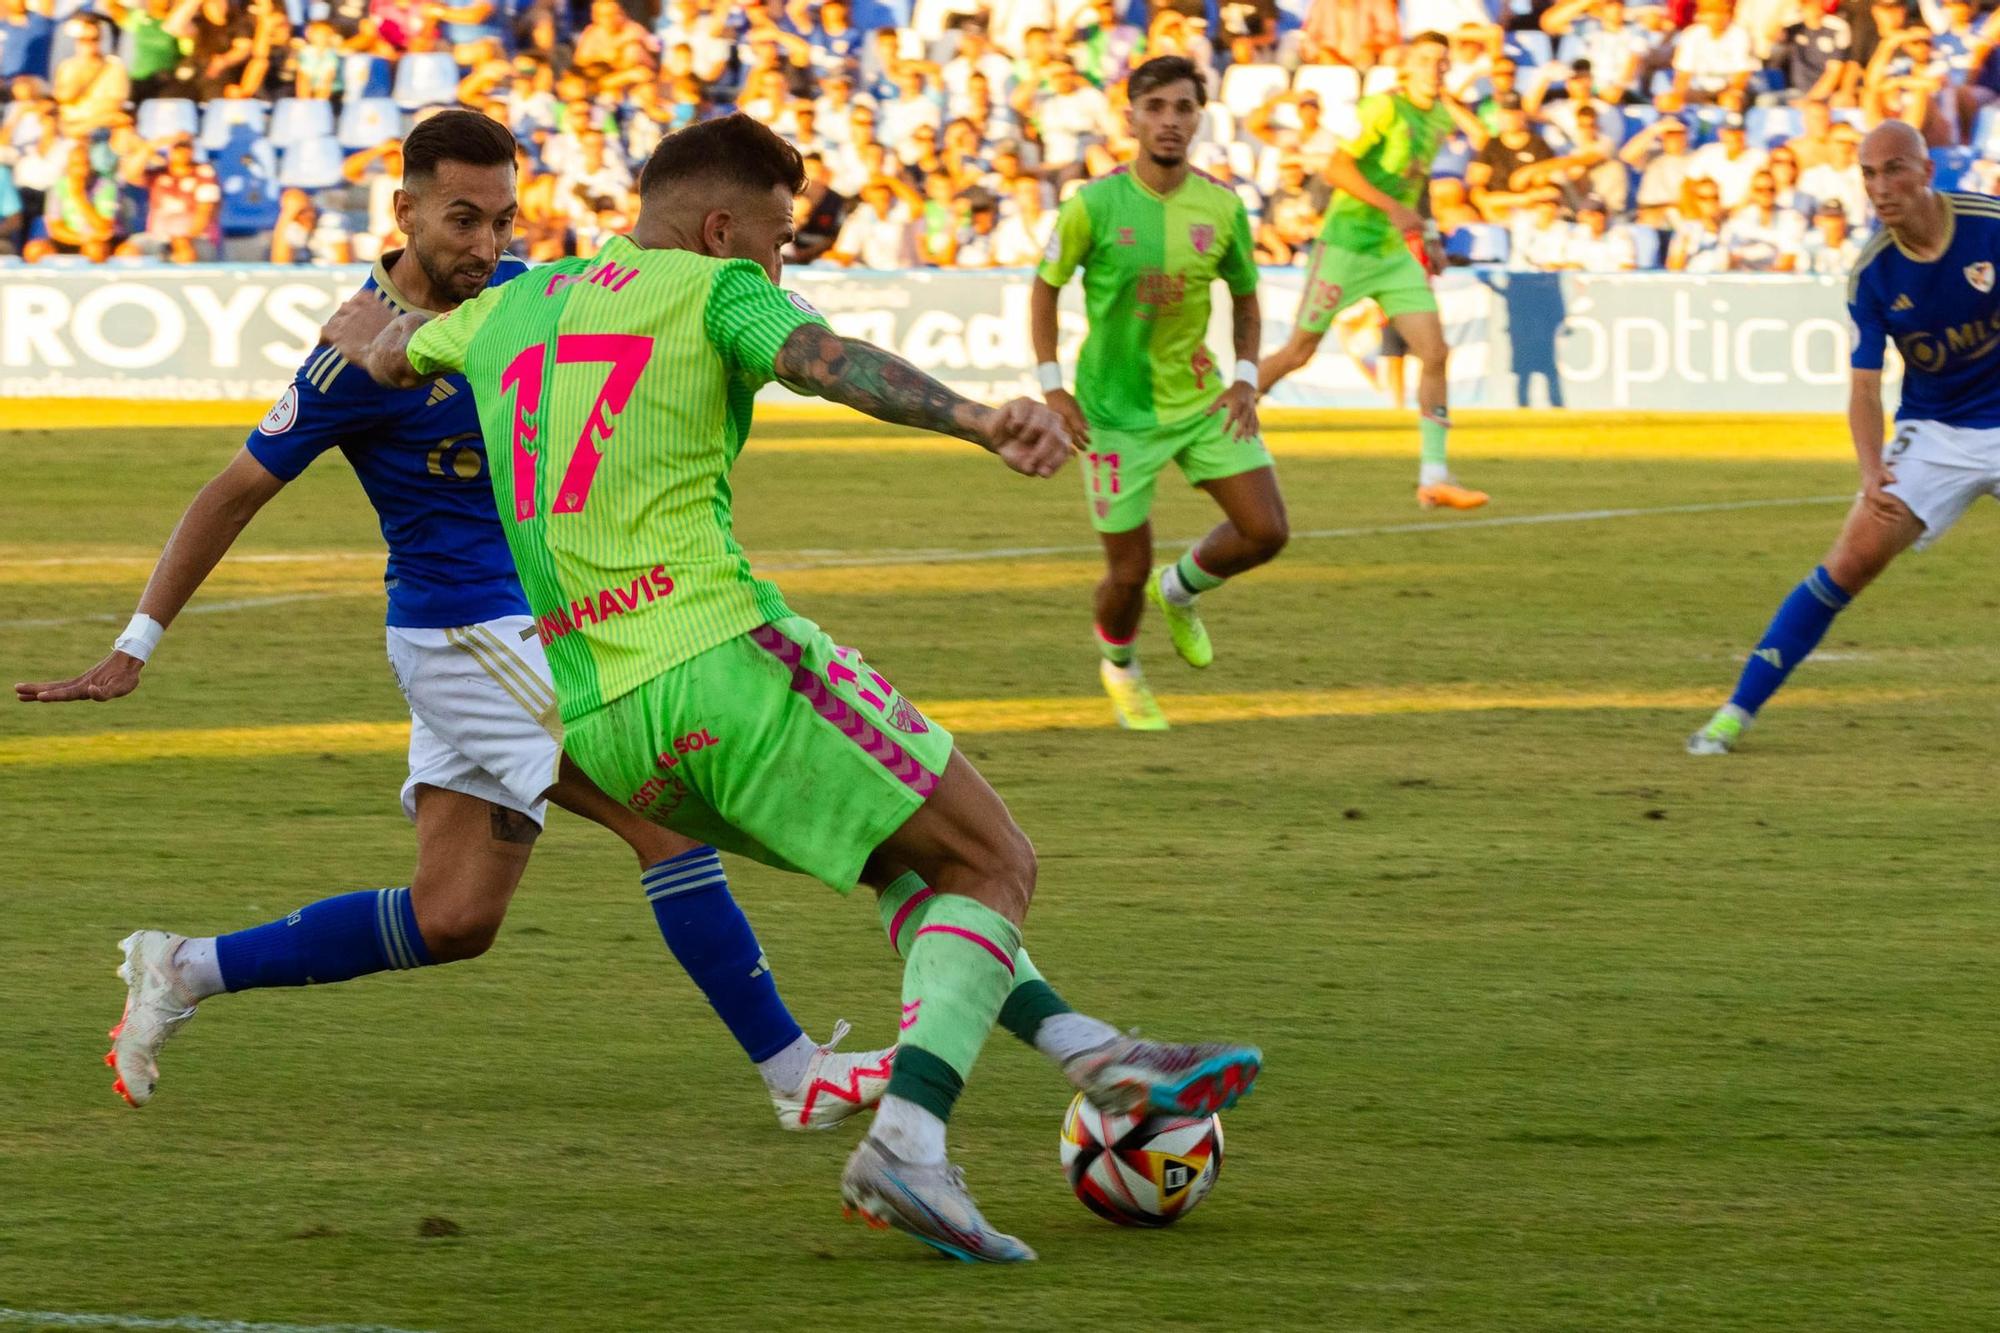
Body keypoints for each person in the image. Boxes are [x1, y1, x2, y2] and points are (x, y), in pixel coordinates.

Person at [321, 110, 1262, 1264]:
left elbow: (382, 350)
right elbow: (831, 365)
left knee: (918, 874)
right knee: (992, 860)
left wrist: (377, 328)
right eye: (775, 242)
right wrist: (976, 418)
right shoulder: (714, 291)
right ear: (719, 226)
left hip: (604, 724)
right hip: (722, 661)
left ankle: (1095, 1055)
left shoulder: (512, 305)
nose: (779, 266)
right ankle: (908, 1144)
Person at [15, 112, 892, 1132]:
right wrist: (134, 646)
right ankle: (794, 1074)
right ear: (405, 211)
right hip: (470, 639)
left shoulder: (523, 296)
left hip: (531, 630)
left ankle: (182, 967)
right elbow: (230, 493)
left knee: (455, 916)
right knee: (664, 814)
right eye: (463, 219)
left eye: (503, 220)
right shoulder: (347, 359)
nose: (485, 244)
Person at [1687, 122, 2000, 754]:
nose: (1879, 188)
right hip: (1934, 433)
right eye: (1867, 174)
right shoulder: (1874, 273)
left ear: (1927, 170)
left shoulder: (1988, 223)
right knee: (1848, 562)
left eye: (1893, 170)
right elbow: (1863, 387)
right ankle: (1733, 715)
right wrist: (1868, 469)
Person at [1031, 56, 1279, 731]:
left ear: (1200, 116)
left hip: (1199, 399)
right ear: (1132, 116)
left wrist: (1247, 376)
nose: (1170, 121)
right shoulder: (1092, 204)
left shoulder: (1223, 206)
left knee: (1267, 530)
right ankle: (1120, 666)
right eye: (1157, 107)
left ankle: (1184, 588)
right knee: (1124, 572)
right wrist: (1054, 387)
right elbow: (1045, 287)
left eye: (1184, 108)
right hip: (1112, 413)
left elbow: (1247, 297)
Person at [1260, 30, 1492, 511]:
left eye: (1442, 61)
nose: (1436, 68)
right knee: (1298, 351)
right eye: (1426, 60)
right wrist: (1393, 210)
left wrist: (1426, 235)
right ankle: (1215, 420)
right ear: (1407, 67)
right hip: (1345, 245)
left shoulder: (1441, 117)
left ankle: (1434, 476)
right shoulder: (1381, 108)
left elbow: (1413, 188)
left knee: (1433, 351)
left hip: (1392, 253)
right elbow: (1337, 170)